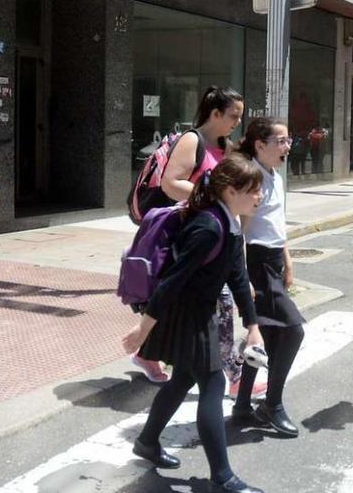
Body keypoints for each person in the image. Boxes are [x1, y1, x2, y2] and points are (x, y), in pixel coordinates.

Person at [122, 155, 265, 493]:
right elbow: (172, 281)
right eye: (254, 190)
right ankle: (222, 477)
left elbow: (238, 276)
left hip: (199, 313)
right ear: (231, 191)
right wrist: (143, 329)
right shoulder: (209, 226)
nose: (260, 196)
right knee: (213, 386)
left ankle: (146, 442)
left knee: (183, 379)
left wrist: (253, 324)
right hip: (188, 316)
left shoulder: (228, 221)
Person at [130, 86, 262, 400]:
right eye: (233, 116)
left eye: (240, 117)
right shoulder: (193, 140)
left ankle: (150, 353)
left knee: (192, 305)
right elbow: (170, 183)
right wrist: (211, 198)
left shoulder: (225, 146)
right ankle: (234, 374)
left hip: (217, 237)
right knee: (223, 302)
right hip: (194, 235)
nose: (236, 122)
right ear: (214, 113)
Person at [231, 118, 306, 437]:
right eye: (281, 141)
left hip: (274, 260)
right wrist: (242, 275)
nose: (287, 146)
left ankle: (242, 406)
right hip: (257, 261)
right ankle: (271, 405)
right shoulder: (252, 177)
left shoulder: (274, 175)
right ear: (260, 145)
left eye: (289, 140)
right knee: (293, 331)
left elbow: (278, 223)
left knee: (268, 336)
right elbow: (240, 231)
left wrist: (288, 263)